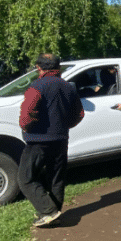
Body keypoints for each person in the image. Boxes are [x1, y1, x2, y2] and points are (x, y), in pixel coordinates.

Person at [18, 53, 85, 227]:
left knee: (26, 178)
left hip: (38, 140)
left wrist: (26, 127)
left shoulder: (37, 86)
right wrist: (65, 125)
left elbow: (27, 112)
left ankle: (49, 211)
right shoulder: (68, 87)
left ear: (39, 68)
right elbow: (79, 113)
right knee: (56, 177)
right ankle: (54, 214)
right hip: (60, 139)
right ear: (58, 67)